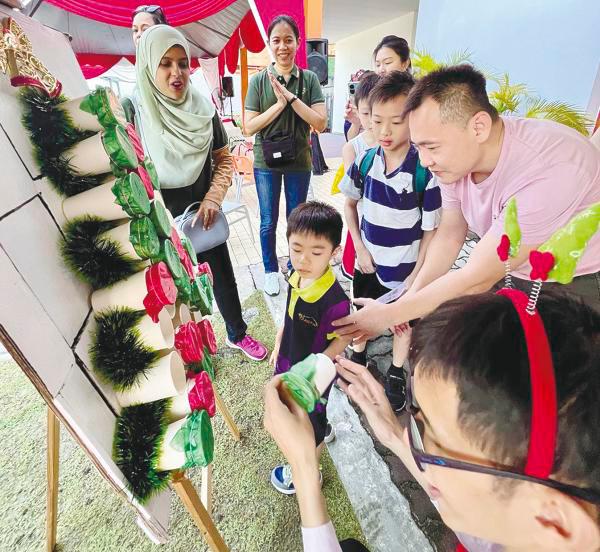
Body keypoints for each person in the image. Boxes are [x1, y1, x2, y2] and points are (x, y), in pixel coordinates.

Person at [265, 290, 600, 551]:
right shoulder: (521, 524)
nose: (414, 440)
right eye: (416, 418)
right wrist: (395, 436)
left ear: (554, 521)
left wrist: (304, 468)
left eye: (429, 439)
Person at [333, 64, 600, 341]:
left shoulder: (551, 169)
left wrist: (389, 315)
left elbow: (476, 277)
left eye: (431, 147)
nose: (424, 160)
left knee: (564, 369)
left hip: (574, 282)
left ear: (479, 127)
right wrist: (406, 303)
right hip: (509, 268)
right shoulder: (456, 160)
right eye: (419, 146)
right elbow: (449, 235)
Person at [131, 24, 268, 361]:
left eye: (182, 62)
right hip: (161, 215)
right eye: (166, 64)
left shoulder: (203, 108)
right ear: (149, 65)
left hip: (203, 208)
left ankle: (237, 333)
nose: (177, 72)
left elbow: (223, 160)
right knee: (173, 286)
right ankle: (191, 350)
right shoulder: (134, 109)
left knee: (221, 273)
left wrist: (213, 197)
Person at [340, 71, 441, 410]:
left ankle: (397, 372)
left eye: (396, 122)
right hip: (368, 262)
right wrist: (360, 246)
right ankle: (357, 354)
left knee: (402, 322)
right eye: (376, 120)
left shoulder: (423, 172)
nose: (384, 131)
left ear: (412, 119)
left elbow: (431, 231)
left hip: (405, 269)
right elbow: (350, 205)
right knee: (361, 312)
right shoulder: (365, 161)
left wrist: (417, 274)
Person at [269, 201, 351, 494]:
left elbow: (344, 339)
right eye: (296, 248)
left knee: (309, 427)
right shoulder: (296, 276)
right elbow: (289, 312)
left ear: (334, 252)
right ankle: (322, 426)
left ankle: (307, 473)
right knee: (300, 412)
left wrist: (316, 367)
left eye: (316, 252)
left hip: (314, 375)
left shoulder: (336, 301)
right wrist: (280, 340)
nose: (304, 259)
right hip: (290, 359)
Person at [244, 15, 328, 297]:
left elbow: (320, 123)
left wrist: (291, 98)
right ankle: (270, 270)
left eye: (288, 40)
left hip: (299, 163)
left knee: (297, 219)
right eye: (277, 41)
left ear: (298, 43)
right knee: (268, 220)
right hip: (265, 163)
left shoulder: (310, 79)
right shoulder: (258, 81)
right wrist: (279, 104)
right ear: (270, 44)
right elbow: (249, 126)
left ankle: (295, 268)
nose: (283, 46)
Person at [339, 71, 380, 280]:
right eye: (365, 114)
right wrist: (359, 246)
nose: (372, 120)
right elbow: (352, 200)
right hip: (367, 231)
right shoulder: (353, 148)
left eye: (377, 113)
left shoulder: (403, 145)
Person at [345, 36, 411, 141]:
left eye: (388, 63)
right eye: (378, 64)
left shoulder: (415, 96)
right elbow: (354, 141)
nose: (381, 69)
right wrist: (357, 121)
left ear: (405, 63)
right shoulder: (370, 91)